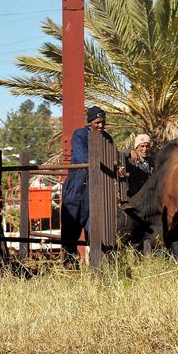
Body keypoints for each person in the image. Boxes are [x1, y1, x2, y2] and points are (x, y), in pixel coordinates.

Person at [60, 105, 114, 264]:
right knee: (70, 233)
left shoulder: (107, 138)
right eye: (97, 122)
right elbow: (84, 158)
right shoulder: (80, 135)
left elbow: (112, 155)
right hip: (76, 191)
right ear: (91, 121)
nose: (101, 125)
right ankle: (70, 267)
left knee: (95, 233)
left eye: (103, 122)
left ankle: (96, 269)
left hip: (95, 192)